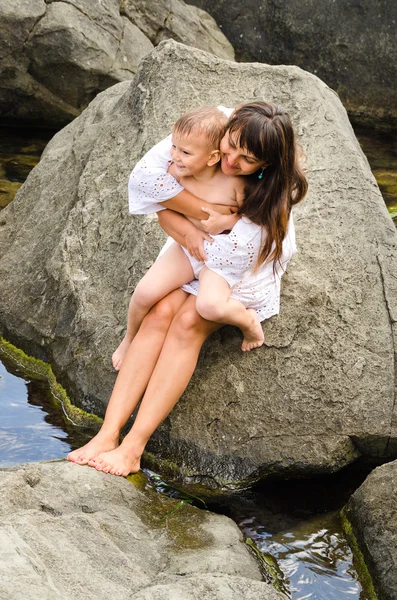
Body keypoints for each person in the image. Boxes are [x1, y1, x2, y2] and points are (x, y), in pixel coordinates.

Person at [67, 101, 308, 477]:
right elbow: (148, 183)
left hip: (238, 264)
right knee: (158, 310)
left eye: (247, 160)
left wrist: (215, 223)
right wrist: (196, 221)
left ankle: (134, 447)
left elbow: (226, 253)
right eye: (231, 148)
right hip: (197, 244)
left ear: (266, 166)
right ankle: (107, 434)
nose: (231, 161)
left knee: (186, 322)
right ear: (227, 130)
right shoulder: (209, 131)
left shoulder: (266, 199)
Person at [112, 106, 265, 369]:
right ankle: (129, 338)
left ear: (211, 157)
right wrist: (190, 233)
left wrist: (227, 220)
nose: (174, 156)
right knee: (144, 293)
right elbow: (164, 212)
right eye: (173, 147)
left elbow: (250, 221)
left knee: (212, 306)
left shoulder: (236, 184)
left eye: (184, 152)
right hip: (187, 248)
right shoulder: (173, 173)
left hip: (220, 255)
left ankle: (248, 321)